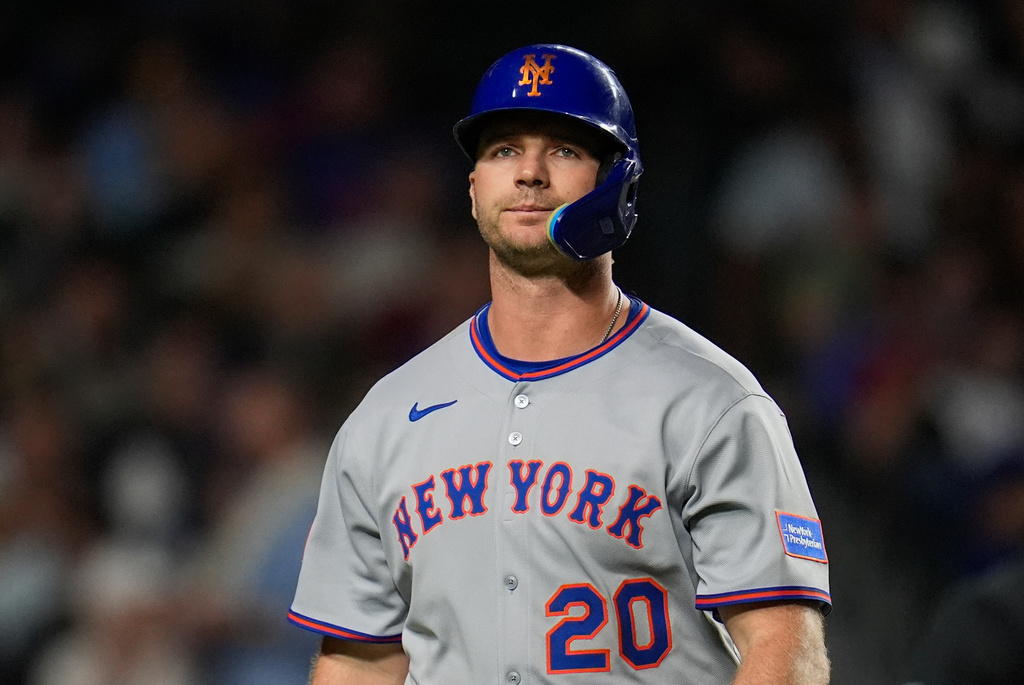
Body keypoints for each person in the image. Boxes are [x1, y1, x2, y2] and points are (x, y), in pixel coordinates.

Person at [289, 43, 832, 684]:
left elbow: (781, 647)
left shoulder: (710, 405)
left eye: (565, 150)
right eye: (504, 150)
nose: (529, 174)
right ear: (473, 190)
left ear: (616, 183)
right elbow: (358, 661)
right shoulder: (387, 416)